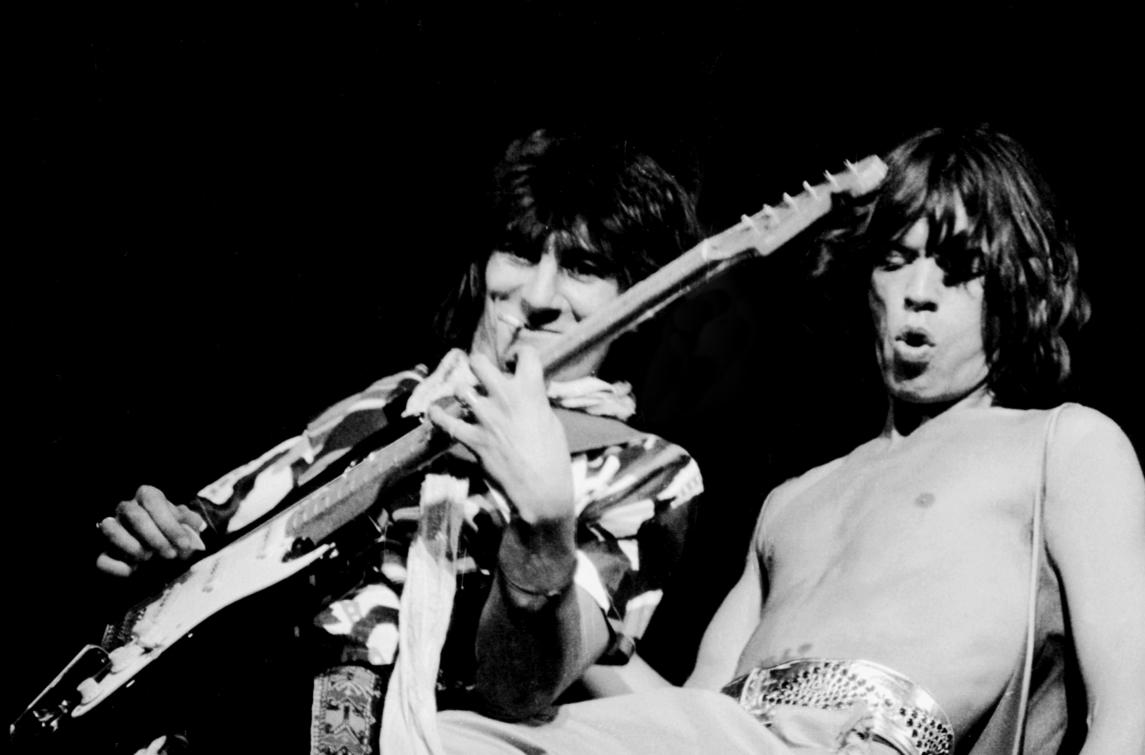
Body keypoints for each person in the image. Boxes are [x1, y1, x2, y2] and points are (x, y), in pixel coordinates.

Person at [419, 125, 1145, 754]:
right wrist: (569, 588)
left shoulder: (1062, 444)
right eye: (896, 259)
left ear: (1016, 283)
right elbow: (689, 710)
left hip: (859, 733)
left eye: (960, 268)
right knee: (441, 734)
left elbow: (1128, 720)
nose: (920, 292)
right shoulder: (794, 500)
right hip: (734, 731)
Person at [90, 128, 706, 754]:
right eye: (520, 253)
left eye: (584, 268)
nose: (538, 296)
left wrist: (543, 532)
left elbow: (518, 689)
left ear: (639, 302)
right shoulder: (397, 398)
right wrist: (157, 540)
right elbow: (220, 521)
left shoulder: (642, 468)